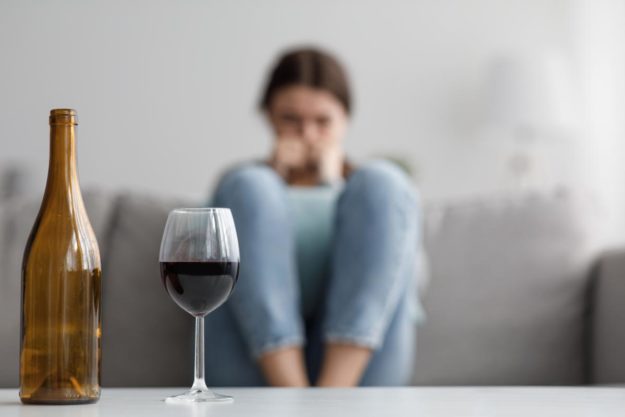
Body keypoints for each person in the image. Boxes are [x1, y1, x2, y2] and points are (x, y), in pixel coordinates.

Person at [206, 47, 421, 387]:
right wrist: (275, 175)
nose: (307, 135)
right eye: (291, 119)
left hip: (358, 372)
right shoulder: (242, 188)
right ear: (269, 117)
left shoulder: (372, 194)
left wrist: (332, 184)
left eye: (323, 122)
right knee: (248, 184)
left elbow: (409, 278)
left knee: (385, 181)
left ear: (345, 120)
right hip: (252, 363)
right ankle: (300, 398)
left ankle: (326, 401)